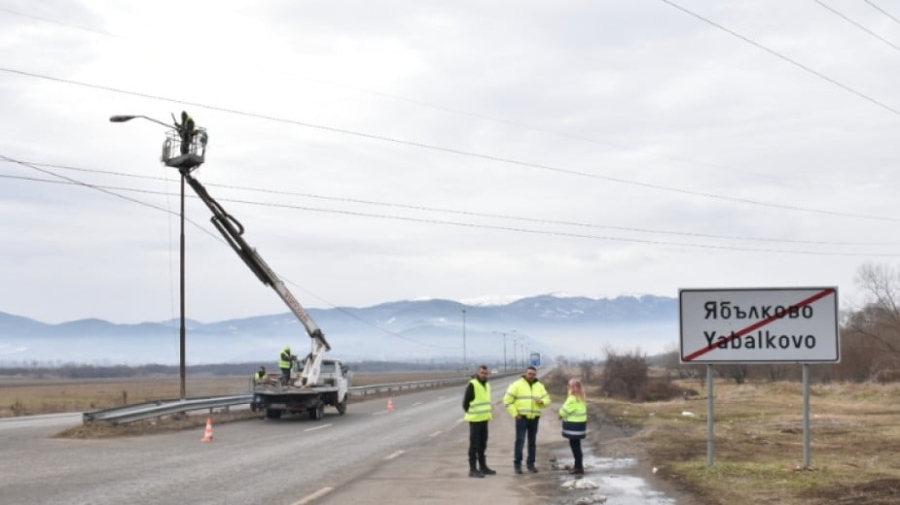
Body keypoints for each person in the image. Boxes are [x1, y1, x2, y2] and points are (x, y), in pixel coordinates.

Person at [503, 365, 551, 474]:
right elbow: (507, 401)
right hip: (522, 418)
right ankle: (517, 465)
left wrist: (542, 402)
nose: (531, 376)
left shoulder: (539, 386)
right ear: (525, 373)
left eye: (533, 374)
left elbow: (548, 399)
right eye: (529, 374)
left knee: (532, 442)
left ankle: (531, 464)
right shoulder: (516, 385)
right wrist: (515, 413)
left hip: (534, 418)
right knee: (520, 441)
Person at [462, 365, 495, 478]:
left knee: (483, 444)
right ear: (478, 373)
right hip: (475, 420)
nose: (484, 375)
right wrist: (472, 413)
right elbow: (465, 403)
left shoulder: (487, 385)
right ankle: (472, 469)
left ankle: (483, 467)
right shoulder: (473, 384)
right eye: (482, 373)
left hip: (484, 419)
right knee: (474, 445)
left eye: (486, 373)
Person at [559, 378, 588, 475]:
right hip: (580, 425)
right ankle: (578, 465)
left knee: (575, 447)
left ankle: (578, 467)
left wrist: (560, 414)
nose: (569, 388)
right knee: (577, 446)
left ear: (575, 387)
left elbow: (564, 411)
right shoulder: (581, 397)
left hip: (573, 426)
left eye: (571, 386)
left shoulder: (572, 398)